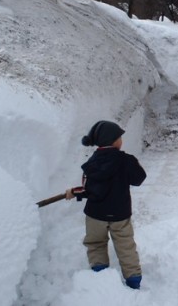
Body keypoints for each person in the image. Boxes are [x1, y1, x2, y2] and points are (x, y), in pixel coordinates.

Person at [66, 120, 147, 289]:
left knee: (96, 243)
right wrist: (134, 164)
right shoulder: (126, 160)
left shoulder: (92, 163)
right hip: (120, 214)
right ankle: (133, 280)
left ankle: (100, 276)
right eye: (119, 137)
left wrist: (74, 192)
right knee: (125, 246)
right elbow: (139, 179)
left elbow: (88, 189)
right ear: (114, 140)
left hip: (96, 214)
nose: (121, 140)